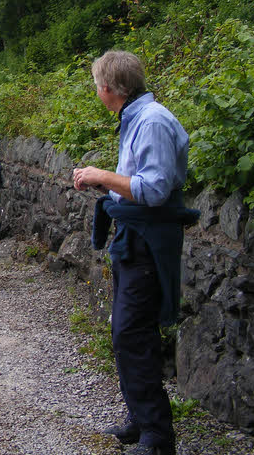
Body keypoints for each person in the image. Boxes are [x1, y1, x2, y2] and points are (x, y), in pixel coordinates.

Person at [73, 50, 199, 455]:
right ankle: (140, 419)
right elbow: (137, 183)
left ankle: (158, 437)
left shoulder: (152, 121)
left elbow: (155, 189)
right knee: (124, 331)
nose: (96, 90)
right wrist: (104, 185)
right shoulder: (137, 119)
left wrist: (101, 175)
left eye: (96, 84)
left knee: (133, 332)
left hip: (148, 241)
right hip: (134, 237)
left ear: (107, 88)